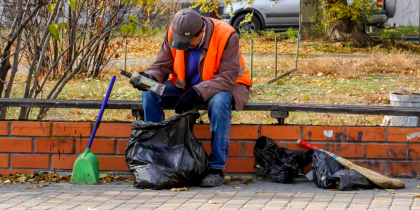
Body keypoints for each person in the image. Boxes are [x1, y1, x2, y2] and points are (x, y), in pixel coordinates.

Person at [130, 8, 252, 187]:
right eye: (180, 42)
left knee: (219, 104)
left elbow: (228, 77)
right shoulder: (174, 31)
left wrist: (196, 92)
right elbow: (162, 65)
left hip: (226, 86)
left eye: (188, 42)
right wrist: (149, 78)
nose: (183, 45)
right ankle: (157, 159)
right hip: (185, 87)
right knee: (149, 94)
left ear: (201, 32)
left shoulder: (227, 35)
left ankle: (216, 168)